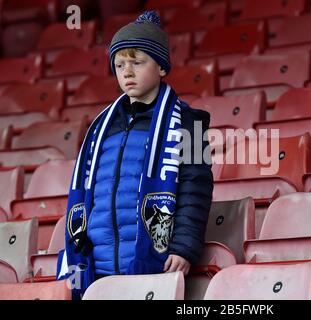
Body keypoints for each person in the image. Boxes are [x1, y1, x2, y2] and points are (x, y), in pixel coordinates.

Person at [56, 11, 213, 299]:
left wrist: (183, 246)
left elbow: (196, 189)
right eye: (119, 65)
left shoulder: (189, 122)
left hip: (153, 263)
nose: (127, 72)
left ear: (162, 67)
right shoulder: (101, 128)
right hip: (98, 266)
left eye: (137, 62)